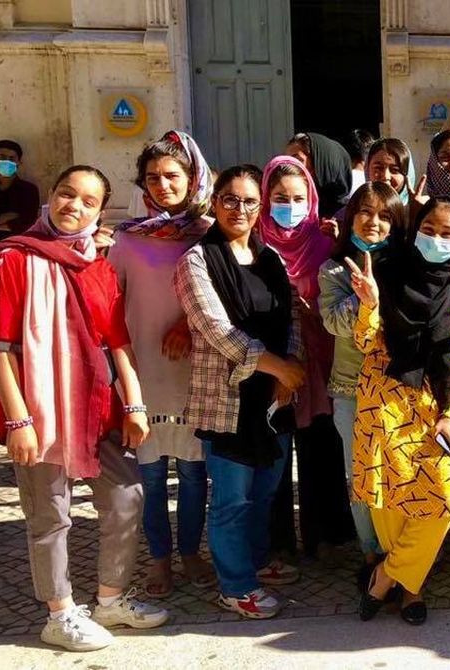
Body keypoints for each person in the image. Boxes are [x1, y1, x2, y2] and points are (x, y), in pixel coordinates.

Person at [0, 165, 166, 651]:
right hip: (40, 412)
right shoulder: (10, 258)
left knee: (126, 498)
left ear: (100, 212)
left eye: (88, 201)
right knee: (50, 515)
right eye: (66, 194)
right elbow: (1, 347)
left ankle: (111, 599)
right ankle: (58, 613)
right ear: (51, 197)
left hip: (97, 408)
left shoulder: (98, 265)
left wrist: (134, 403)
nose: (73, 206)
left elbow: (117, 341)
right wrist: (19, 420)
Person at [174, 163, 305, 620]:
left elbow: (289, 320)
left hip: (271, 401)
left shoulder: (271, 260)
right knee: (231, 500)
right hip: (226, 400)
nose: (240, 209)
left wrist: (285, 375)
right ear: (214, 202)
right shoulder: (196, 260)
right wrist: (277, 368)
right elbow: (214, 328)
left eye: (250, 201)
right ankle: (234, 585)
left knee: (267, 491)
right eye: (230, 199)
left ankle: (253, 561)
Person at [352, 196, 450, 626]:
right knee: (390, 504)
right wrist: (371, 304)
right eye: (429, 230)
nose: (436, 239)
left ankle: (384, 578)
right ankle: (411, 590)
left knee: (443, 504)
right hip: (383, 401)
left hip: (434, 407)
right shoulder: (387, 272)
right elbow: (366, 343)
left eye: (448, 234)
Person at [108, 130, 217, 597]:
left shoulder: (212, 234)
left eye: (173, 175)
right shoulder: (128, 240)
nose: (162, 185)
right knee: (150, 471)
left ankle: (191, 551)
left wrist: (188, 327)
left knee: (194, 471)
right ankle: (158, 560)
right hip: (144, 370)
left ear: (192, 178)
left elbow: (224, 299)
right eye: (152, 177)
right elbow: (110, 305)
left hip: (194, 369)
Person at [259, 156, 353, 563]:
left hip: (320, 363)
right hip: (270, 364)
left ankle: (325, 535)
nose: (290, 205)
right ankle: (277, 543)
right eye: (281, 197)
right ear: (266, 198)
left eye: (299, 197)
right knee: (274, 456)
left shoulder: (325, 242)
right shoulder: (253, 243)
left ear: (312, 199)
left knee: (320, 450)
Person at [318, 182, 399, 584]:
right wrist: (365, 297)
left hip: (399, 389)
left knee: (398, 472)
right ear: (351, 216)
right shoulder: (333, 270)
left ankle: (399, 558)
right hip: (351, 388)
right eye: (366, 212)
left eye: (385, 216)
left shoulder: (405, 263)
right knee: (360, 476)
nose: (374, 222)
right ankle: (371, 553)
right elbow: (333, 323)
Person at [285, 132, 358, 217]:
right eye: (287, 162)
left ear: (322, 164)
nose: (289, 168)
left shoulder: (352, 216)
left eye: (297, 161)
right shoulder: (294, 211)